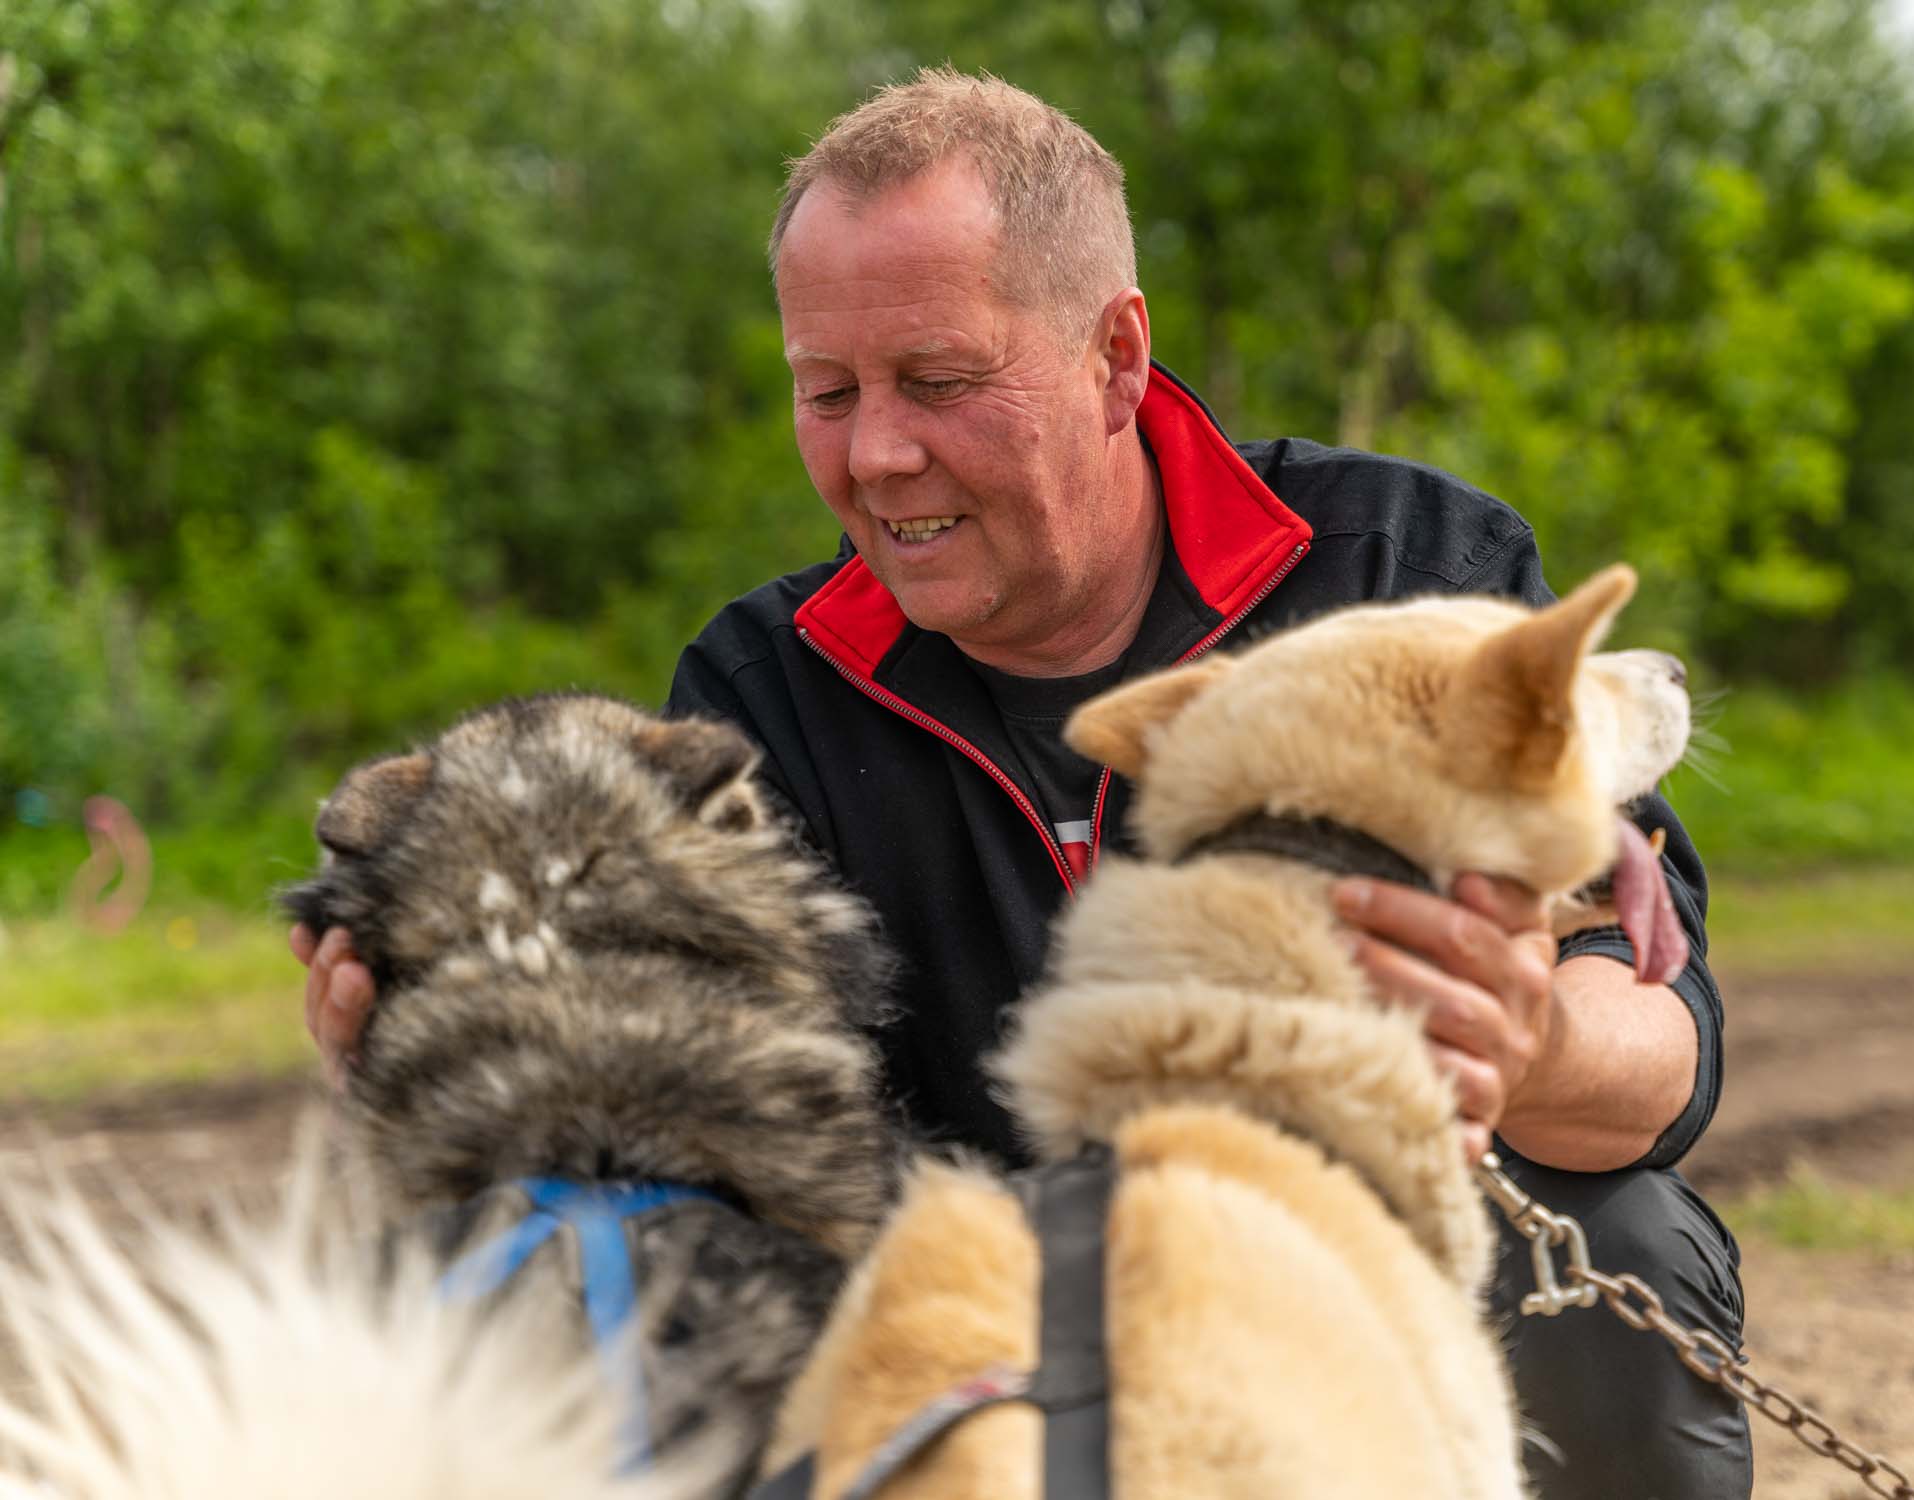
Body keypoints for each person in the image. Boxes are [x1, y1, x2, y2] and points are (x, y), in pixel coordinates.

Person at [295, 68, 1749, 1500]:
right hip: (958, 1300)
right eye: (826, 391)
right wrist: (473, 1061)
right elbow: (702, 1165)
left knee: (1612, 1241)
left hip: (1325, 1258)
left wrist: (1524, 1043)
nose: (876, 453)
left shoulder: (1402, 572)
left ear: (1115, 357)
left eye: (938, 381)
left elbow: (1654, 1038)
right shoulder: (754, 694)